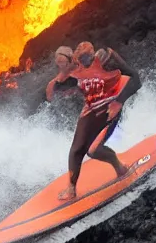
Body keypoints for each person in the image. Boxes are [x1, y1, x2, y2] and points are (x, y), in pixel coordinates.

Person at [53, 41, 142, 201]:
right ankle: (71, 189)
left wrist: (119, 102)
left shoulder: (106, 58)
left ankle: (120, 167)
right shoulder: (75, 68)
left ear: (92, 54)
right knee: (76, 149)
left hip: (110, 107)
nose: (82, 63)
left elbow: (136, 79)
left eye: (86, 58)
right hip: (90, 110)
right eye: (79, 60)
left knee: (93, 150)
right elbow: (64, 83)